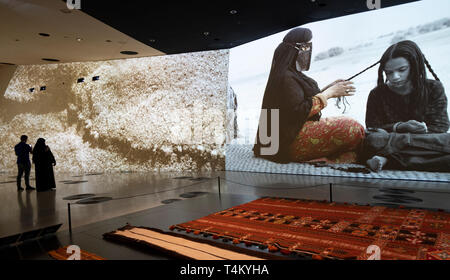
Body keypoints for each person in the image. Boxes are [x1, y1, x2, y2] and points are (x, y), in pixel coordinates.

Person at [253, 27, 365, 164]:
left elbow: (296, 102)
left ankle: (333, 158)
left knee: (352, 128)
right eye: (307, 47)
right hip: (287, 143)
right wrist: (329, 94)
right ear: (299, 49)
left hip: (280, 140)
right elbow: (297, 112)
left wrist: (329, 89)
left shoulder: (285, 75)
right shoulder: (286, 78)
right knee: (352, 127)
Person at [364, 40, 450, 172]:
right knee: (373, 139)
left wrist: (418, 131)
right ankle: (406, 159)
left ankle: (390, 158)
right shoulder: (377, 94)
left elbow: (440, 127)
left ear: (415, 66)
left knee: (446, 140)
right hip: (407, 145)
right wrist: (399, 126)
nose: (395, 77)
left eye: (402, 70)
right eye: (389, 72)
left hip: (423, 141)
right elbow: (372, 128)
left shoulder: (433, 88)